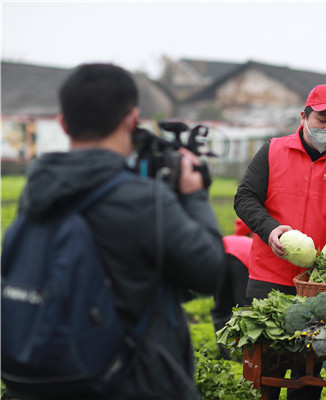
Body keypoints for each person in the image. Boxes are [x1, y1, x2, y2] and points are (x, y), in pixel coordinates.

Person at [7, 63, 225, 399]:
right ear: (131, 119)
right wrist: (194, 196)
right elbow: (209, 271)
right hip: (129, 381)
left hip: (48, 376)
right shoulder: (141, 200)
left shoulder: (37, 190)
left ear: (63, 122)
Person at [234, 83, 326, 399]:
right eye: (322, 119)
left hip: (316, 284)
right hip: (268, 277)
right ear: (304, 116)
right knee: (265, 371)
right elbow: (244, 198)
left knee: (308, 375)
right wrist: (269, 229)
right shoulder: (272, 150)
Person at [211, 218, 252, 360]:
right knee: (243, 307)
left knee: (221, 307)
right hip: (239, 262)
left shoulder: (229, 238)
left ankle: (226, 354)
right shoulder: (251, 243)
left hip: (218, 254)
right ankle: (246, 355)